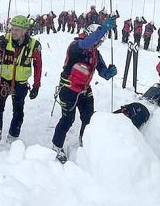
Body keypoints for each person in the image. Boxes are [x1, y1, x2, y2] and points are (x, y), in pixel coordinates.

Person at [51, 18, 119, 163]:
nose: (99, 44)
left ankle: (85, 142)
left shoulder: (95, 53)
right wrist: (104, 28)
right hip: (69, 88)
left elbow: (103, 72)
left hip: (84, 90)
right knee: (68, 119)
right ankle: (56, 146)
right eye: (99, 40)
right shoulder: (76, 45)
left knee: (88, 118)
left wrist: (110, 72)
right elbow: (87, 43)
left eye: (101, 42)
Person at [0, 15, 43, 147]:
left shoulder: (33, 45)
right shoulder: (4, 40)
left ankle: (13, 135)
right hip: (3, 80)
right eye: (12, 29)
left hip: (21, 83)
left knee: (18, 111)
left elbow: (38, 66)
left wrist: (36, 86)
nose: (14, 32)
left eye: (17, 30)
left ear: (25, 31)